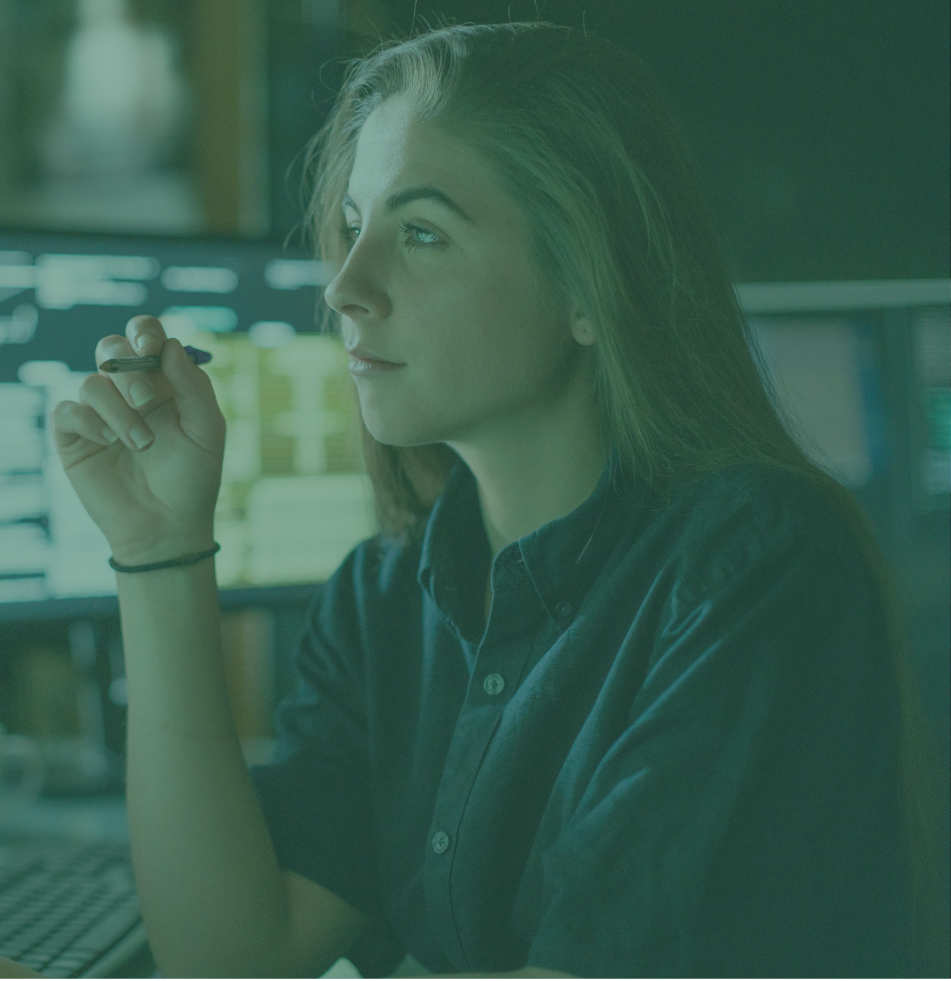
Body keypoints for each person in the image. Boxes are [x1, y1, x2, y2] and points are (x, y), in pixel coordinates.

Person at [47, 22, 945, 979]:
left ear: (591, 287)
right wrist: (157, 548)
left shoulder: (754, 566)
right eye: (352, 228)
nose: (347, 287)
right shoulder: (381, 596)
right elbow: (230, 961)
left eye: (421, 233)